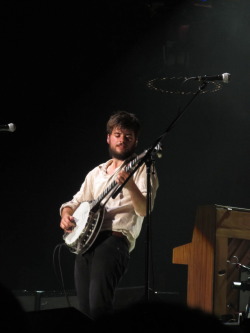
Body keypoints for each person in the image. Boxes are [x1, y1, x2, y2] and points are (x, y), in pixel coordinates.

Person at [59, 110, 159, 320]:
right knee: (84, 312)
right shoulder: (96, 173)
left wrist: (130, 186)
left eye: (128, 137)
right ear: (108, 137)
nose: (122, 140)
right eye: (117, 135)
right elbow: (74, 202)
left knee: (99, 308)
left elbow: (144, 209)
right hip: (86, 243)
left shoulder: (141, 168)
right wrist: (66, 214)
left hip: (113, 241)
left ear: (135, 141)